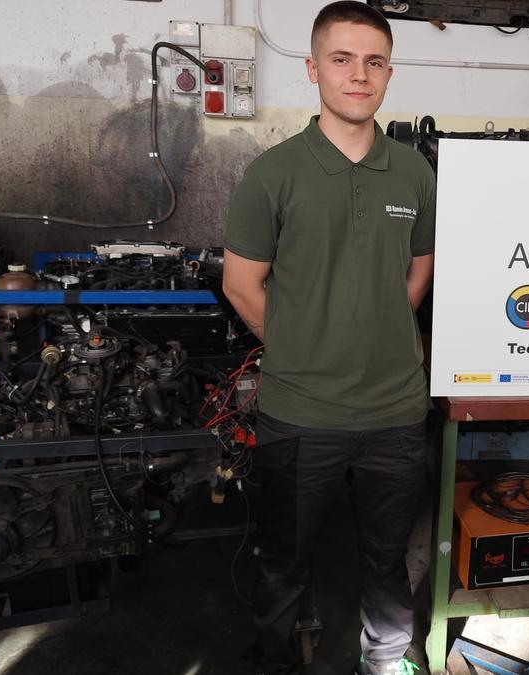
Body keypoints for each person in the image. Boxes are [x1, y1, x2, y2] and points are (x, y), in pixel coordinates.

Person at [222, 2, 436, 674]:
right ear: (314, 69)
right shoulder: (273, 174)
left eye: (373, 62)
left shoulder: (414, 174)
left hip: (395, 413)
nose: (358, 75)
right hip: (300, 413)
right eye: (341, 59)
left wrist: (372, 328)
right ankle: (278, 660)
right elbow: (240, 284)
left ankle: (389, 661)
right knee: (283, 562)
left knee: (387, 560)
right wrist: (301, 347)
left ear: (389, 74)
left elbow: (419, 266)